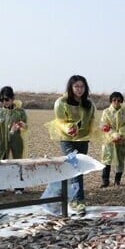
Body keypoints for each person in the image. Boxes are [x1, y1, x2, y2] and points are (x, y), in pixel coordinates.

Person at [46, 75, 96, 216]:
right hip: (67, 140)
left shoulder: (88, 104)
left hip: (83, 140)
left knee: (77, 169)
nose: (79, 89)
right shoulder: (61, 102)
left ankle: (67, 196)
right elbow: (60, 121)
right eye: (76, 86)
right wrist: (69, 127)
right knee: (76, 165)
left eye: (82, 87)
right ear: (71, 87)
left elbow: (91, 121)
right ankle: (78, 200)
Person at [0, 86, 28, 194]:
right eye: (2, 100)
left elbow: (26, 127)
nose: (4, 102)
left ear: (12, 98)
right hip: (2, 140)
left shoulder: (20, 112)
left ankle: (19, 187)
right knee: (1, 161)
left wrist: (21, 125)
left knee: (18, 161)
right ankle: (1, 186)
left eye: (7, 99)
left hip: (16, 140)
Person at [100, 92, 125, 187]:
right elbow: (104, 125)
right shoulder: (106, 112)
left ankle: (117, 180)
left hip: (121, 141)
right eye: (114, 100)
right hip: (109, 140)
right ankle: (105, 181)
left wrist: (120, 135)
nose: (116, 102)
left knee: (120, 160)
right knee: (106, 159)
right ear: (111, 101)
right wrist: (113, 135)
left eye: (119, 100)